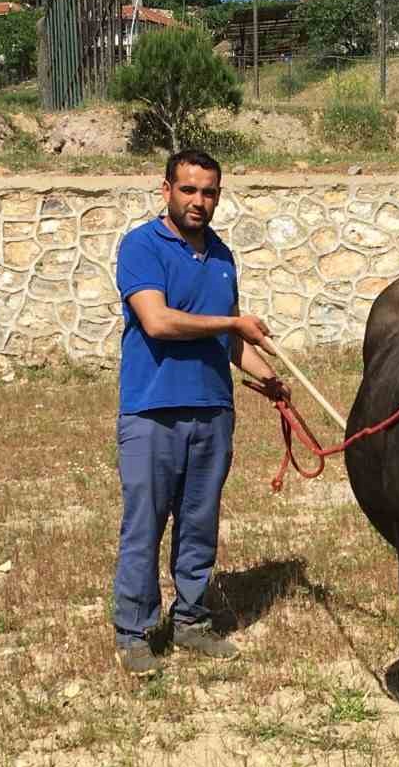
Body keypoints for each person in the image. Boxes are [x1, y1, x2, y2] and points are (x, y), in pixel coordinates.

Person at [110, 149, 286, 677]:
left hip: (213, 409)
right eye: (188, 190)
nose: (198, 201)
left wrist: (267, 377)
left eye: (208, 192)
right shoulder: (141, 246)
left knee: (198, 522)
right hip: (151, 411)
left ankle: (191, 620)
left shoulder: (223, 256)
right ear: (166, 189)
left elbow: (231, 344)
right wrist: (232, 326)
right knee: (145, 524)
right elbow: (159, 322)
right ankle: (135, 631)